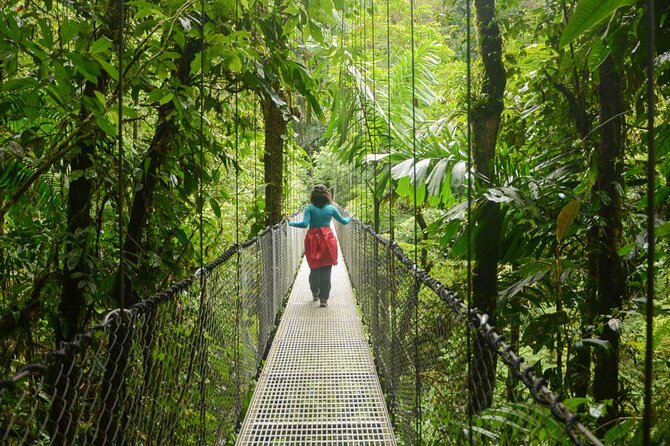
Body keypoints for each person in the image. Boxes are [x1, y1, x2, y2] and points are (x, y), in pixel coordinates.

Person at [287, 184, 351, 308]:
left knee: (314, 268)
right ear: (327, 195)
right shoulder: (331, 209)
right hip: (328, 240)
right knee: (327, 270)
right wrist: (350, 218)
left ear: (313, 196)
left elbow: (304, 224)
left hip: (313, 241)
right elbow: (343, 221)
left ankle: (315, 291)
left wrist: (291, 222)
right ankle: (323, 299)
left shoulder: (309, 208)